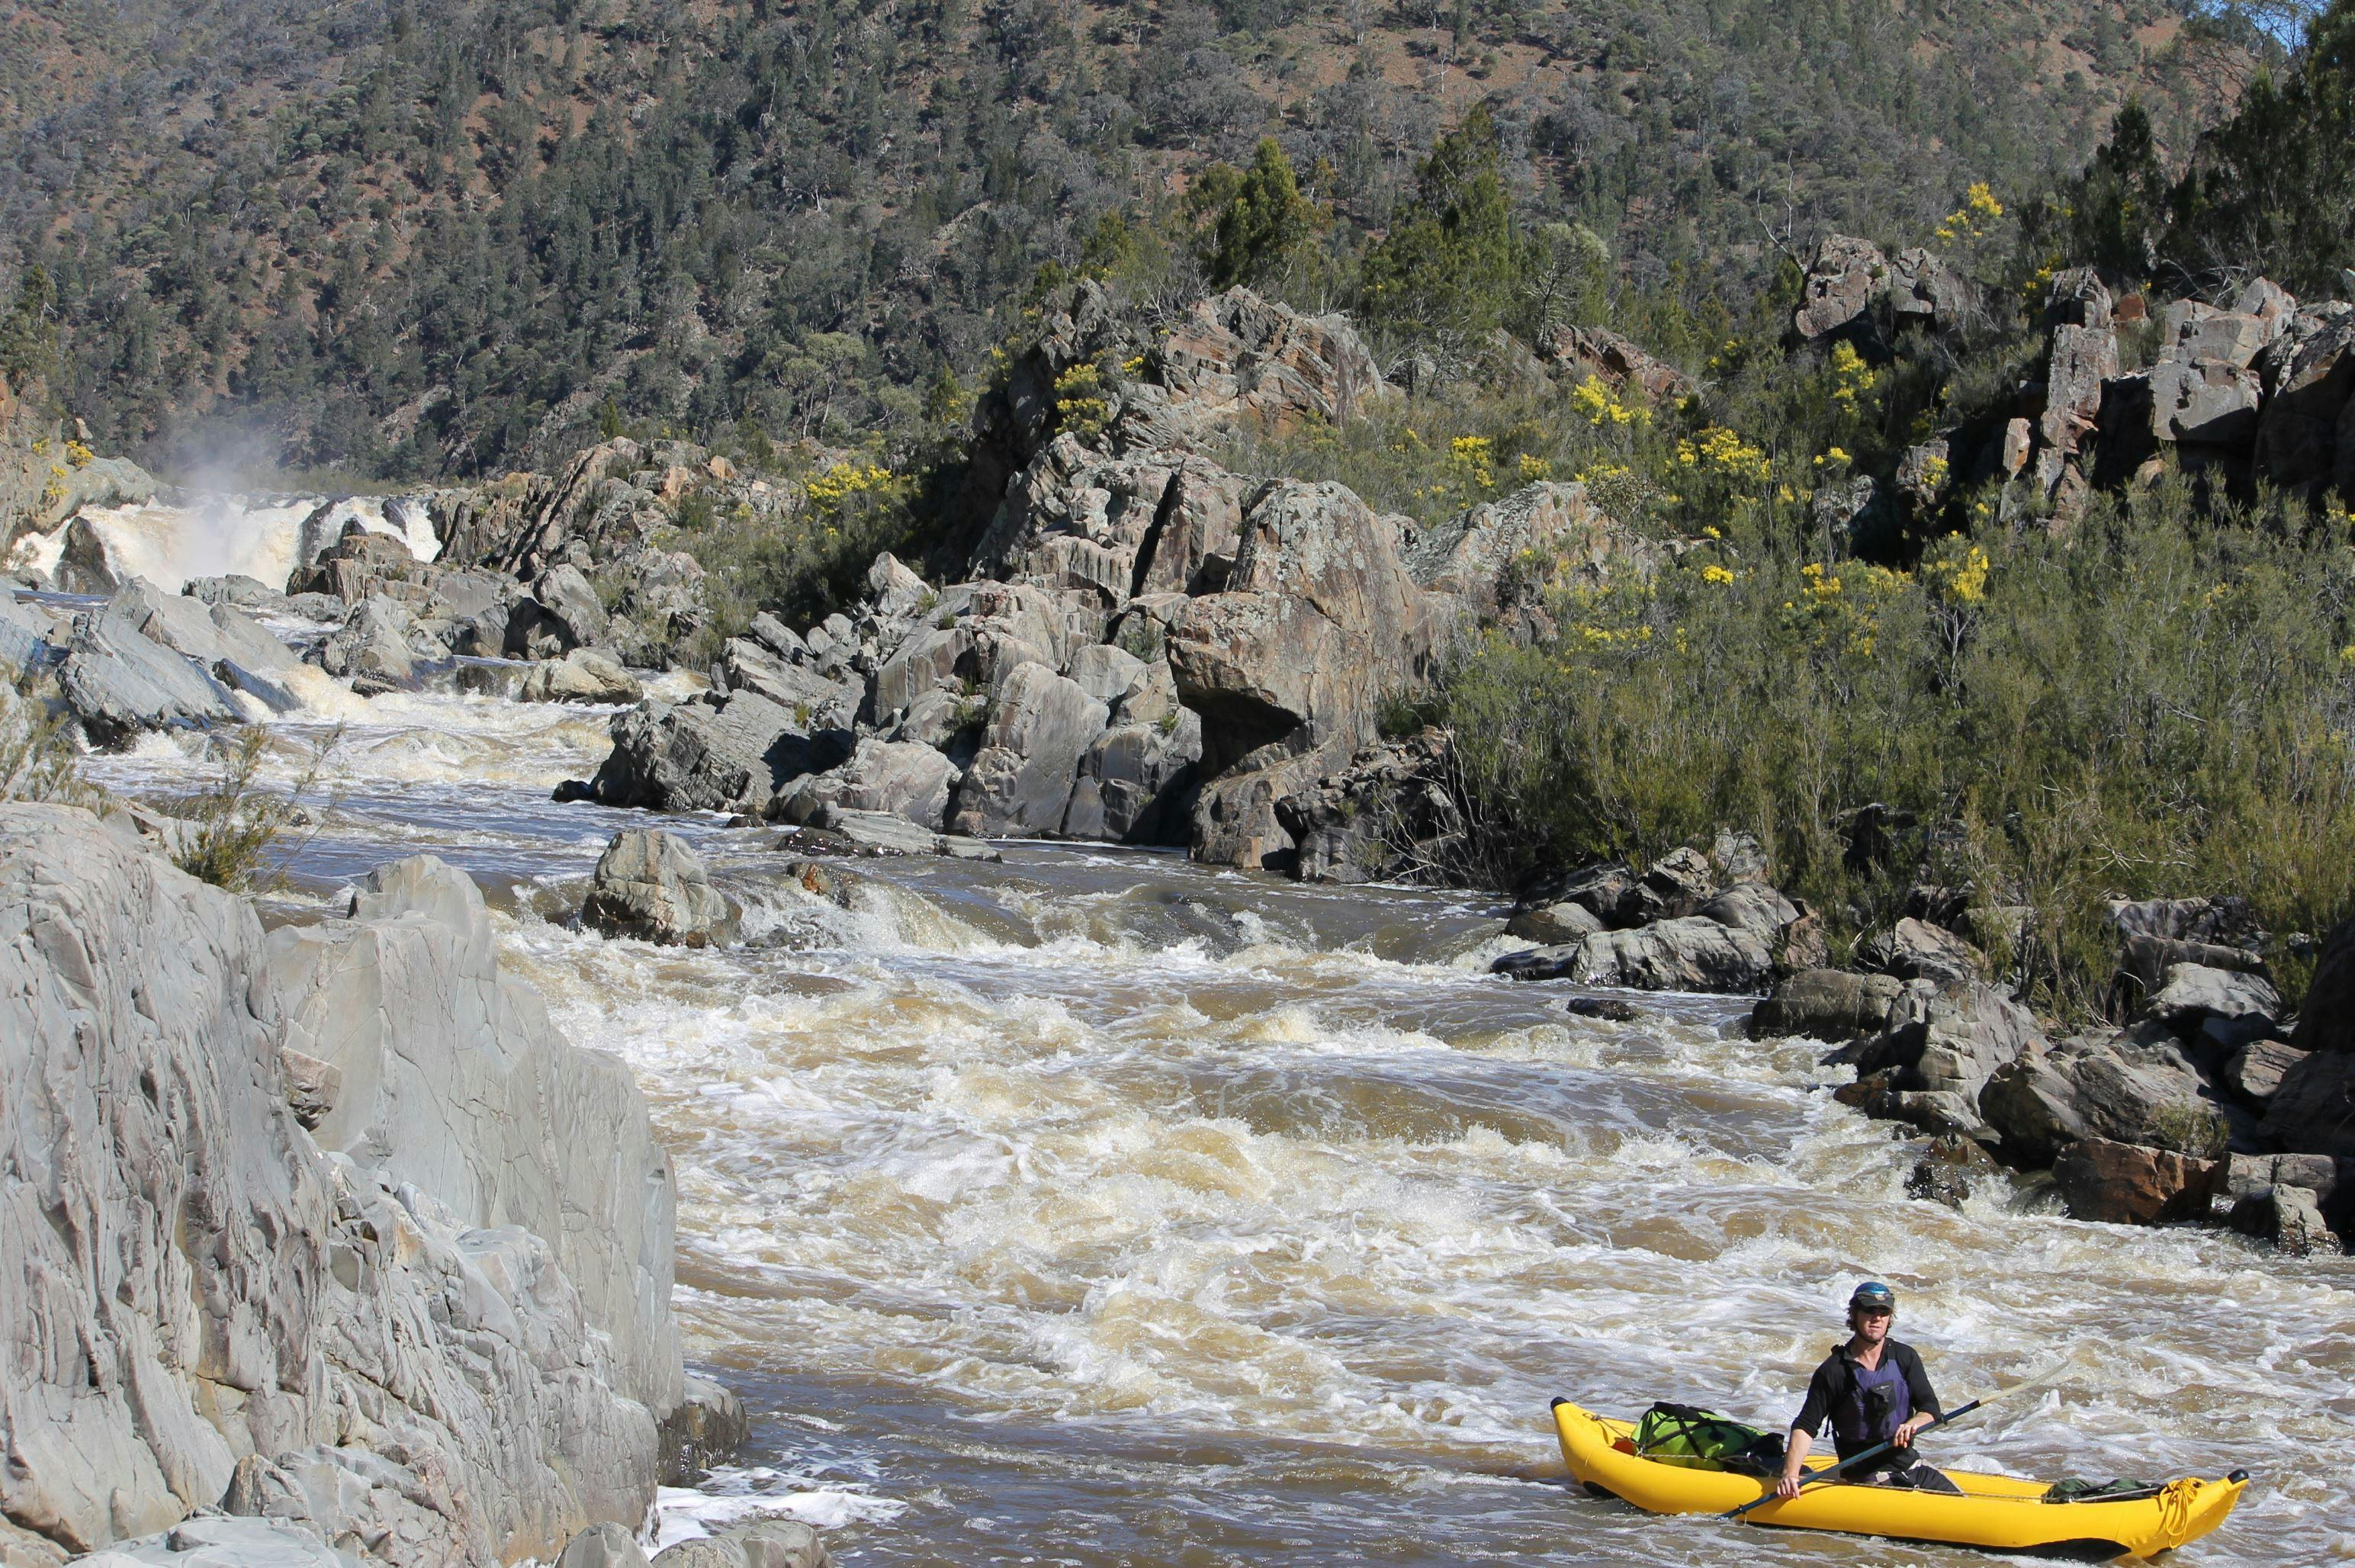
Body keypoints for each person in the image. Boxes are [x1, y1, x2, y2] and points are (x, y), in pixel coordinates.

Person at [1775, 1280, 1962, 1497]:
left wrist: (1915, 1422)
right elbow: (1806, 1425)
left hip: (1912, 1465)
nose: (1877, 1318)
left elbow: (1930, 1407)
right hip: (1865, 1476)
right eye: (1869, 1310)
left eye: (1884, 1311)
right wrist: (1790, 1474)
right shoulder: (1834, 1370)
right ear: (1854, 1314)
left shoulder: (1905, 1357)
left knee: (1967, 1508)